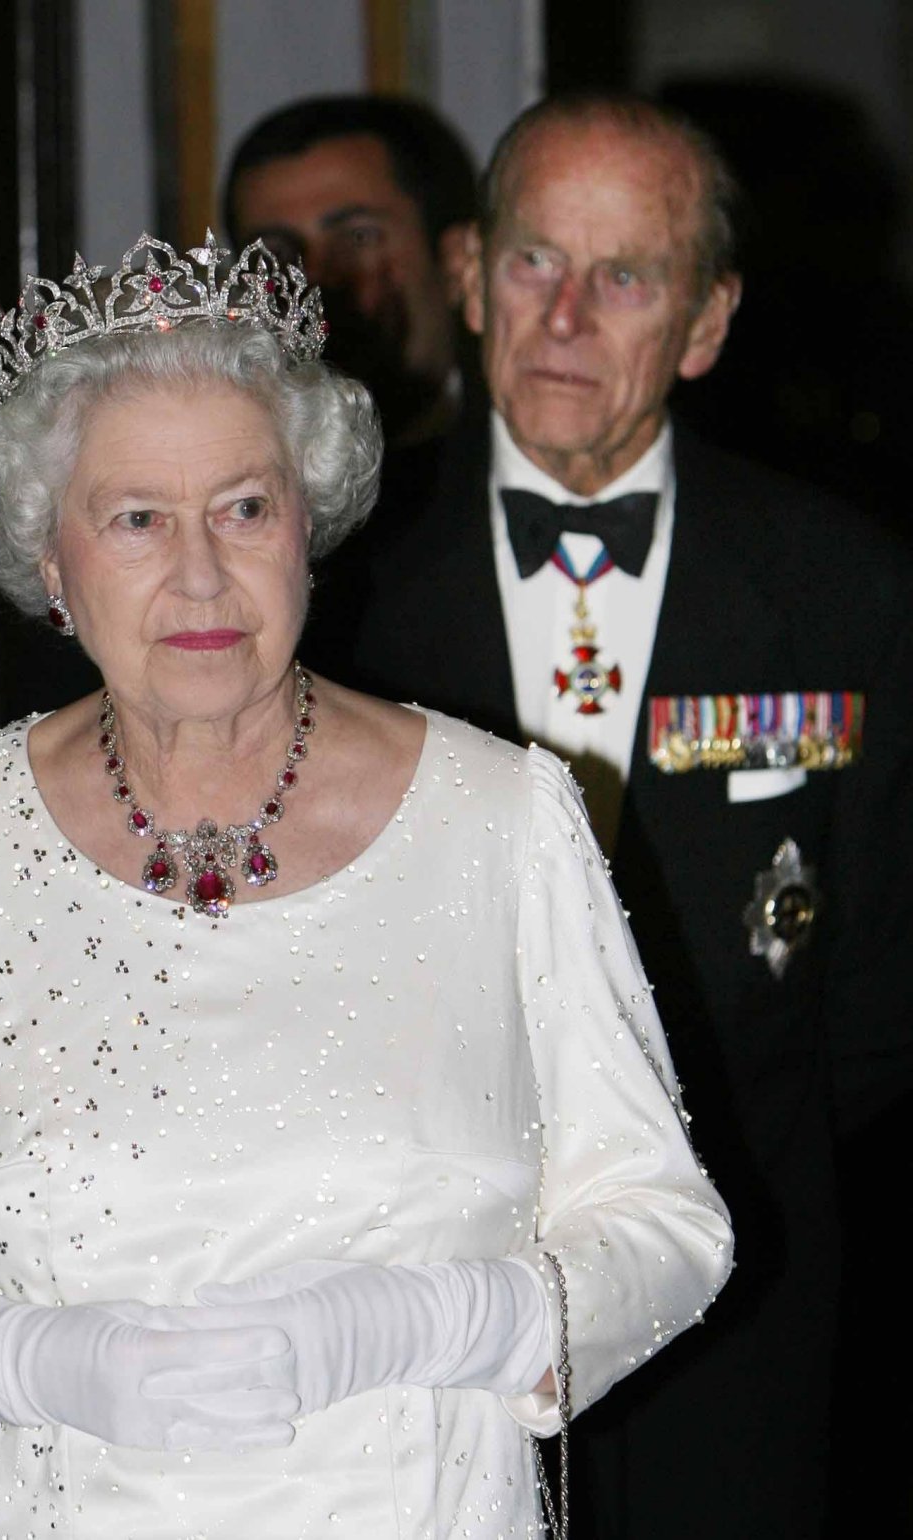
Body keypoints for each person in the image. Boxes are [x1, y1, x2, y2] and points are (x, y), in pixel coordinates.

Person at [0, 233, 731, 1539]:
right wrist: (20, 1363)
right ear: (52, 560)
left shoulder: (504, 819)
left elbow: (665, 1232)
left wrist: (434, 1320)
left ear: (306, 526)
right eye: (137, 519)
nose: (201, 573)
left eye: (245, 507)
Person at [354, 94, 913, 1538]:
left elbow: (873, 1009)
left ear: (708, 322)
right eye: (537, 262)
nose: (567, 317)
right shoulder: (336, 577)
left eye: (629, 277)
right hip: (408, 1307)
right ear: (471, 276)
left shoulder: (843, 589)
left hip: (737, 1311)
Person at [223, 95, 480, 678]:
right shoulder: (229, 495)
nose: (316, 281)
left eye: (359, 238)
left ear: (458, 261)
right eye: (279, 253)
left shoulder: (521, 467)